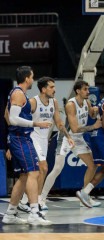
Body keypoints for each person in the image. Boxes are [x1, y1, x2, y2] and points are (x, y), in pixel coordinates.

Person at [2, 66, 52, 225]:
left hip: (19, 137)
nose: (33, 79)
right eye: (32, 77)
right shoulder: (18, 93)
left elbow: (6, 114)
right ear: (27, 78)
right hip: (20, 138)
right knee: (33, 172)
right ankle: (34, 213)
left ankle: (10, 214)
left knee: (24, 176)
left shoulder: (18, 94)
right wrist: (36, 123)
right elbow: (14, 119)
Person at [17, 77, 75, 212]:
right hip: (32, 137)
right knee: (43, 168)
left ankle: (25, 200)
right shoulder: (32, 102)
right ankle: (36, 201)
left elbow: (59, 122)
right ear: (43, 89)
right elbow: (19, 120)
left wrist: (68, 136)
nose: (54, 90)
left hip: (44, 140)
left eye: (54, 87)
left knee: (37, 172)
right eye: (51, 87)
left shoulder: (54, 102)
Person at [47, 80, 102, 207]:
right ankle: (41, 198)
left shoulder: (87, 102)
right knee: (57, 169)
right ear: (78, 91)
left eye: (88, 89)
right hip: (66, 137)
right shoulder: (71, 104)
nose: (88, 92)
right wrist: (93, 126)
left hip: (78, 138)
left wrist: (96, 110)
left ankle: (85, 195)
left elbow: (92, 116)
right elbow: (75, 128)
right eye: (85, 89)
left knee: (93, 165)